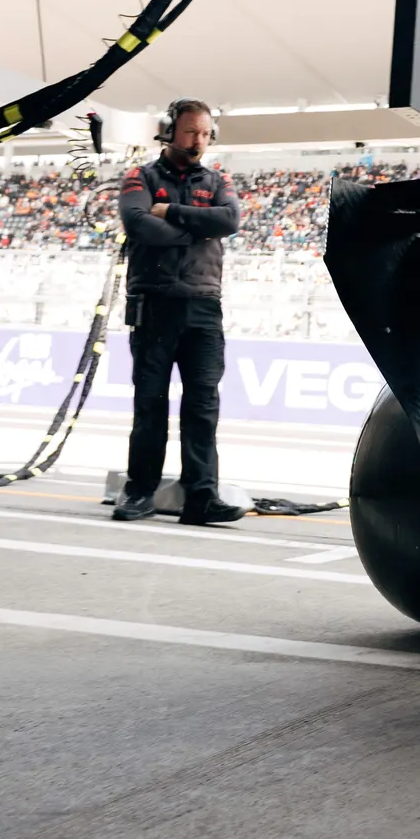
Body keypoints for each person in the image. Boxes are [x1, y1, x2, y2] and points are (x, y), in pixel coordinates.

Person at [115, 101, 251, 525]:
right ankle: (139, 493)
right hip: (154, 305)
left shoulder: (218, 179)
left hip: (204, 308)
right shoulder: (141, 175)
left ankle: (201, 498)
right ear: (169, 131)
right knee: (150, 404)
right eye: (192, 132)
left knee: (202, 406)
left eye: (206, 134)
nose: (199, 141)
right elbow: (137, 224)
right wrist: (197, 227)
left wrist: (171, 213)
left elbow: (229, 220)